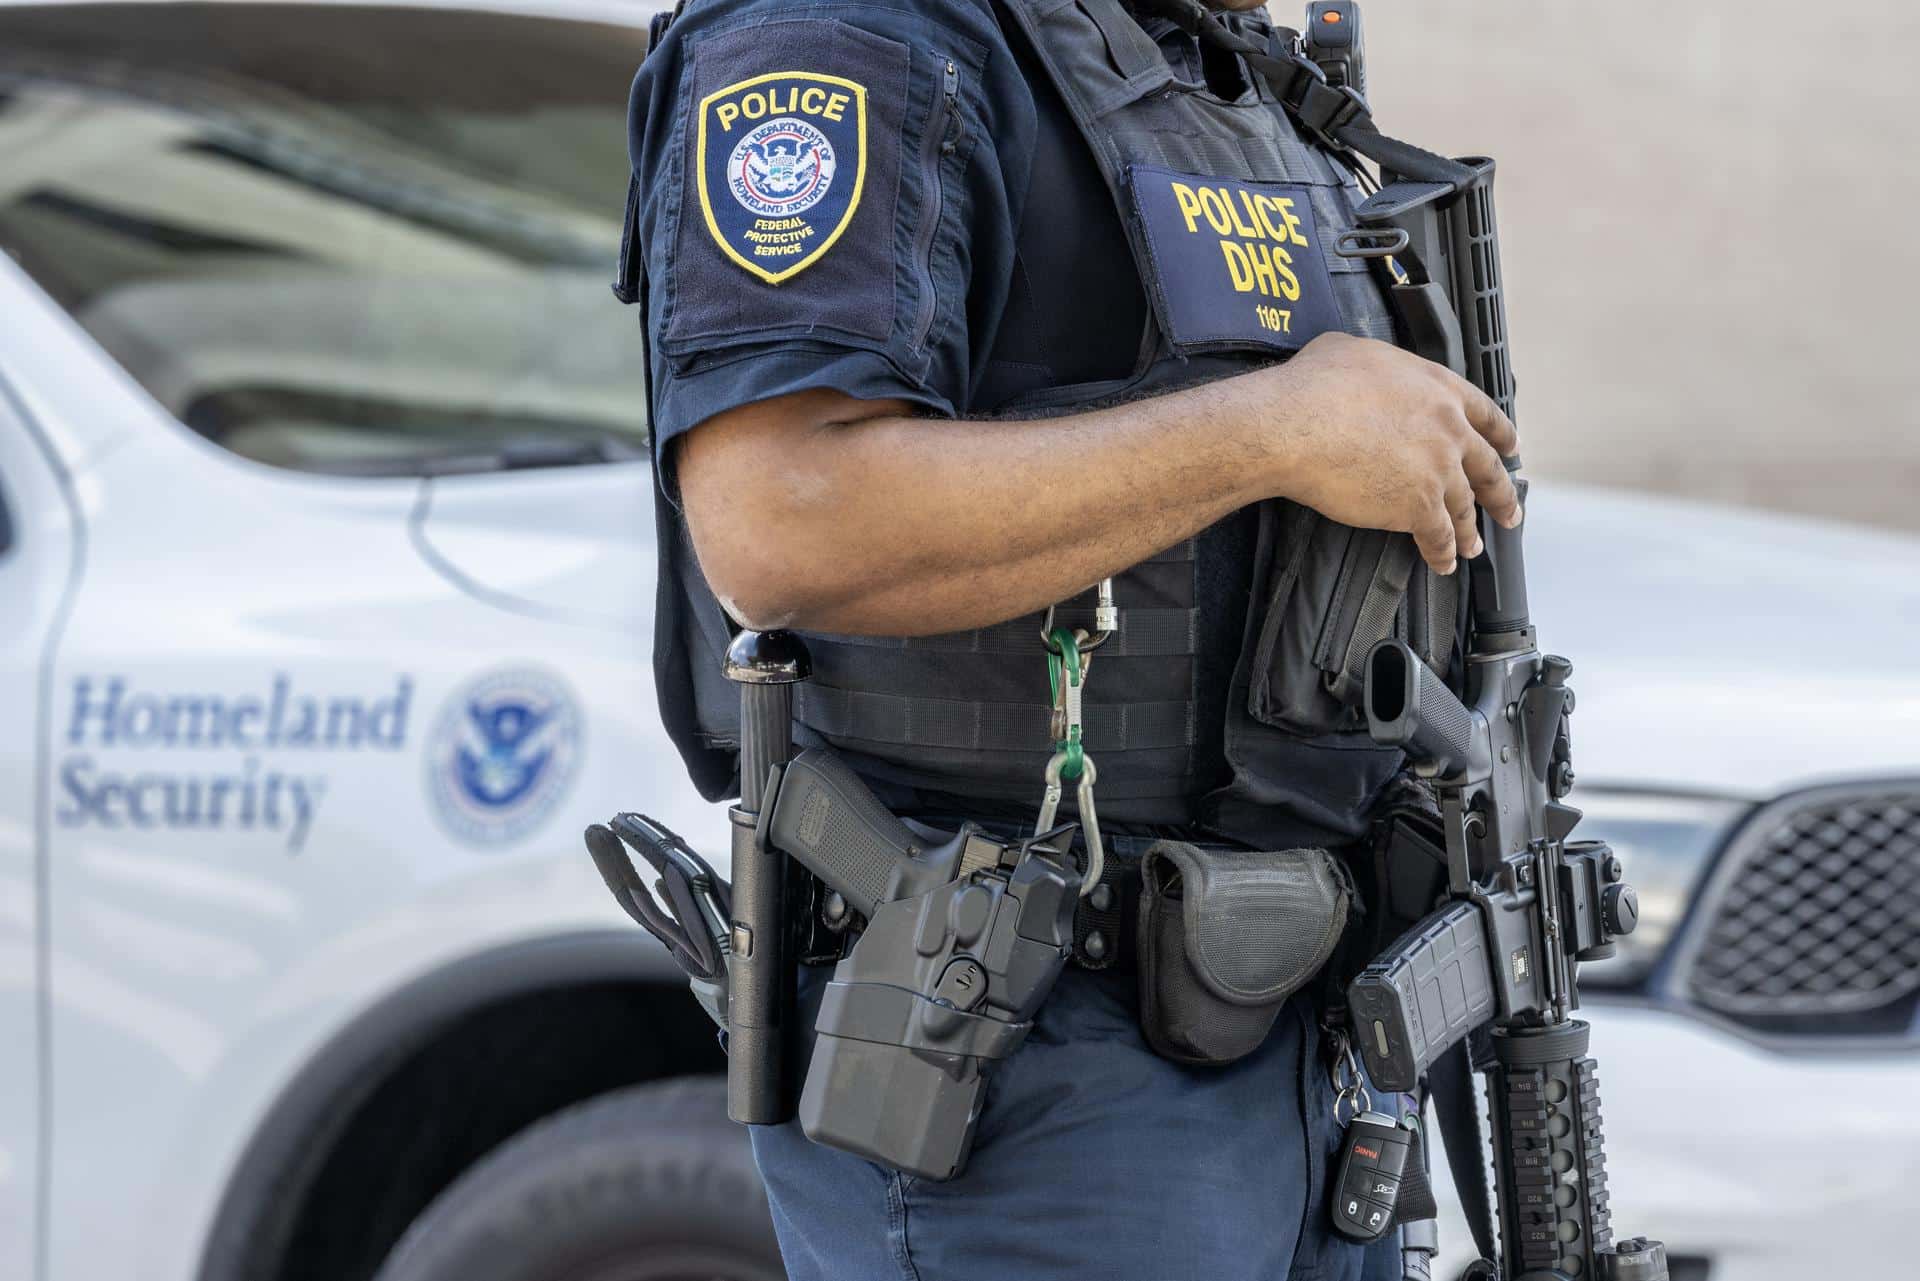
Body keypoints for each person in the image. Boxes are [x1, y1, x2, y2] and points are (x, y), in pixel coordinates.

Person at [622, 0, 1521, 1277]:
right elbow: (784, 523)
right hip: (1014, 1052)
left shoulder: (1223, 69)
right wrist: (1270, 433)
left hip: (1291, 1039)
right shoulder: (842, 32)